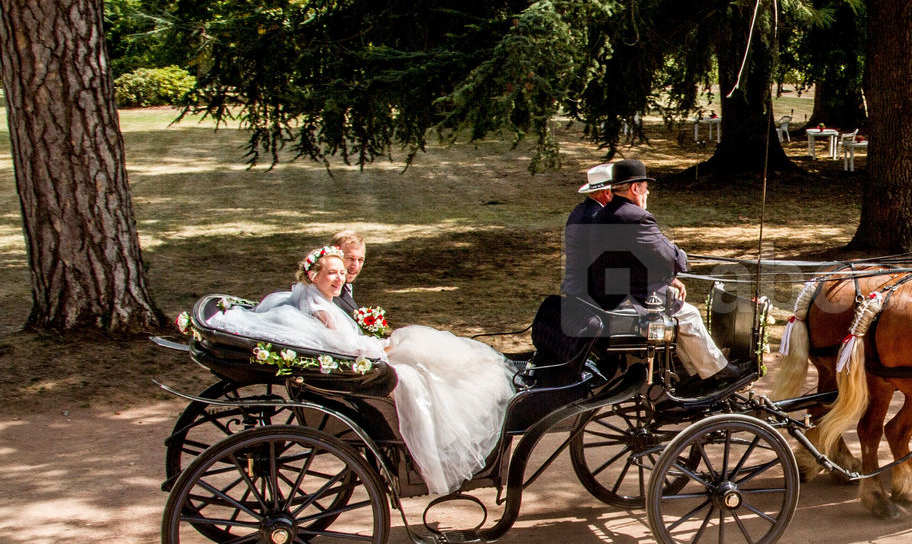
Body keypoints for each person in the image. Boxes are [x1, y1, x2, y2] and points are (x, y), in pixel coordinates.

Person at [209, 246, 515, 496]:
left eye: (342, 273)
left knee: (424, 349)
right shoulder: (320, 311)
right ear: (313, 275)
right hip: (363, 368)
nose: (340, 279)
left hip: (361, 360)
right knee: (432, 365)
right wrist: (383, 348)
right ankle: (444, 445)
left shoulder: (311, 300)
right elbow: (344, 348)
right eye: (332, 273)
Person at [585, 159, 748, 395]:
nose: (647, 192)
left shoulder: (604, 215)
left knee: (678, 305)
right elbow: (669, 257)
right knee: (688, 315)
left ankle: (696, 372)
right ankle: (715, 371)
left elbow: (630, 259)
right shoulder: (636, 218)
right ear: (634, 189)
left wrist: (667, 278)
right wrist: (678, 259)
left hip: (608, 296)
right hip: (629, 301)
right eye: (645, 187)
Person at [561, 164, 612, 299]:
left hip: (577, 289)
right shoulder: (598, 218)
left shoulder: (581, 210)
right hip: (589, 295)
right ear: (607, 193)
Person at [328, 230, 366, 316]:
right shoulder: (326, 292)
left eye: (360, 260)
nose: (355, 266)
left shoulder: (345, 286)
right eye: (350, 258)